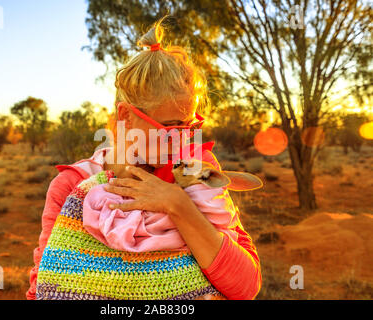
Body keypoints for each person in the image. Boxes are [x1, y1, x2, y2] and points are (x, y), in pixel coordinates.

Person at [27, 16, 261, 300]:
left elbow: (246, 286)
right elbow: (46, 288)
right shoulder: (72, 185)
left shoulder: (194, 171)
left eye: (190, 127)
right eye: (172, 127)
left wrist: (178, 205)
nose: (184, 139)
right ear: (125, 115)